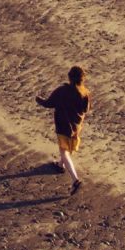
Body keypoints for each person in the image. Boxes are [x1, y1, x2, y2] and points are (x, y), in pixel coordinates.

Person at [37, 65, 92, 193]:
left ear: (69, 77)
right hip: (76, 127)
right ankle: (60, 165)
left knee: (64, 151)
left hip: (63, 126)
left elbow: (48, 103)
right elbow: (86, 109)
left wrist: (38, 100)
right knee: (68, 147)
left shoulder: (63, 90)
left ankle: (75, 180)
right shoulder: (85, 93)